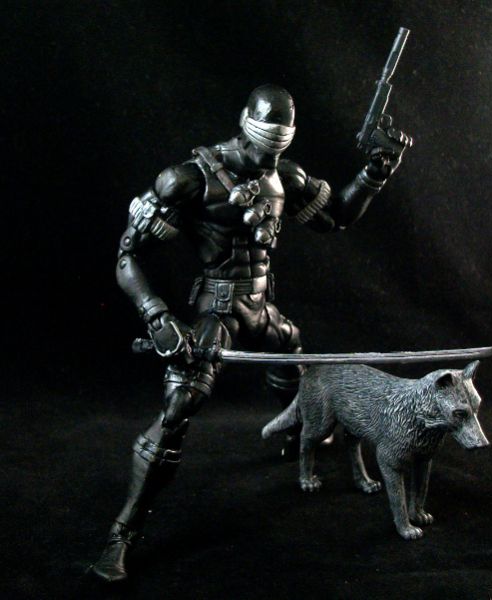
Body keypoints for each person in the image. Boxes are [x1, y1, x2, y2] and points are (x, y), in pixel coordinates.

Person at [91, 84, 412, 582]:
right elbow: (127, 256)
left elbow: (337, 217)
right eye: (262, 150)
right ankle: (121, 534)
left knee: (291, 353)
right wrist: (158, 317)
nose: (268, 162)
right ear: (245, 125)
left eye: (276, 152)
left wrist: (374, 173)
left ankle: (298, 440)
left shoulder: (286, 175)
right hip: (216, 311)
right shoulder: (188, 180)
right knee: (180, 406)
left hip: (262, 306)